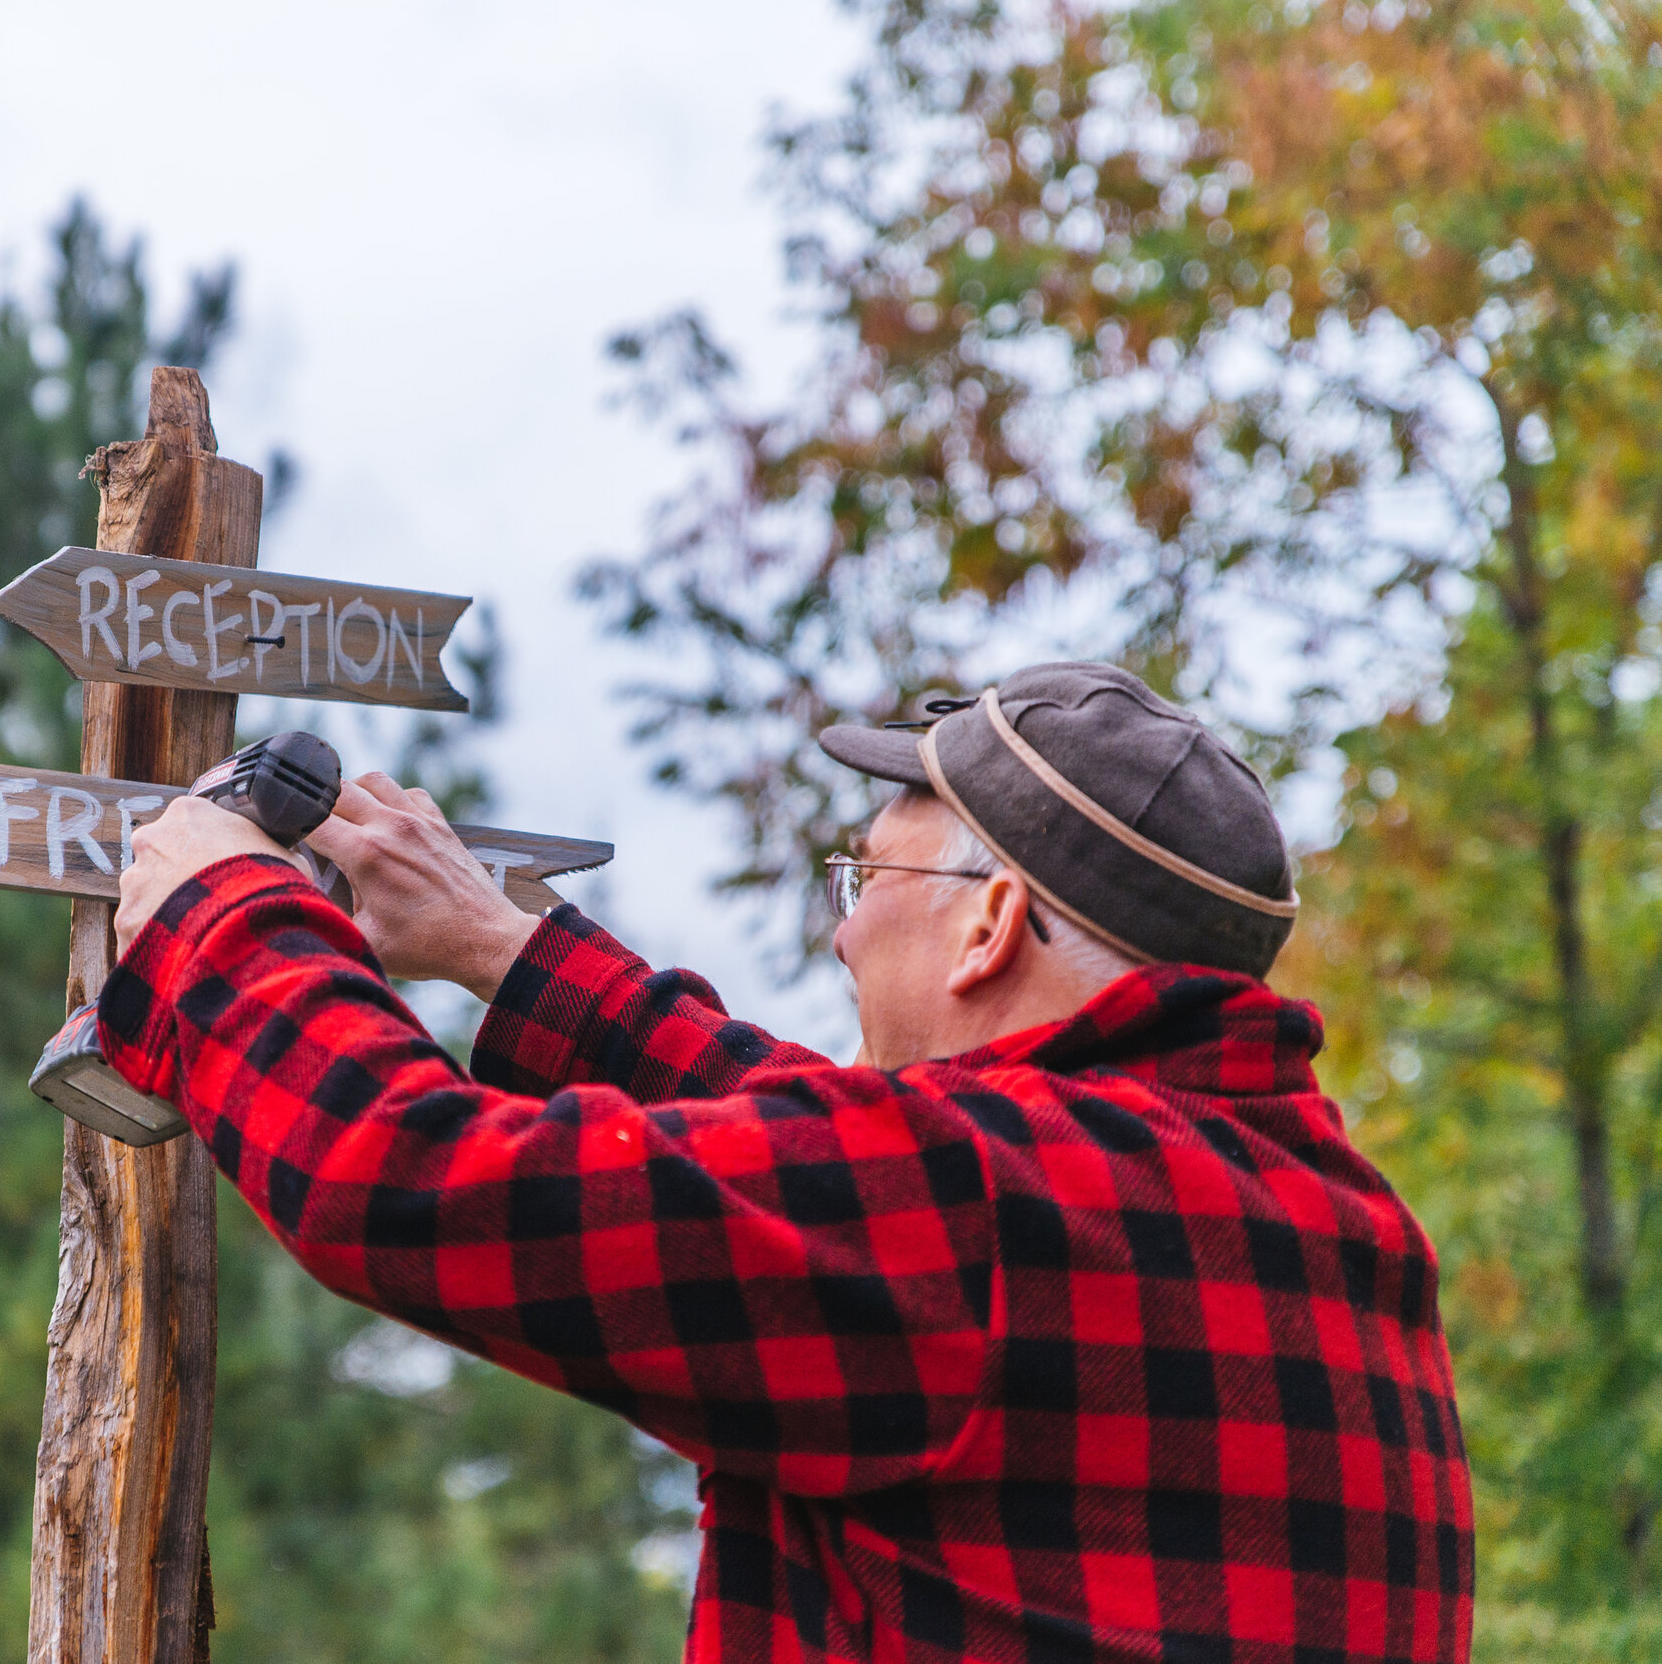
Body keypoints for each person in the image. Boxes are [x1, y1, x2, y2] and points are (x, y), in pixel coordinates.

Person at [102, 660, 1472, 1664]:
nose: (841, 935)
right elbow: (854, 1181)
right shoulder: (1331, 1222)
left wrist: (219, 910)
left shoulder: (976, 1212)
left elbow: (400, 1174)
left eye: (860, 880)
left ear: (990, 925)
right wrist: (501, 950)